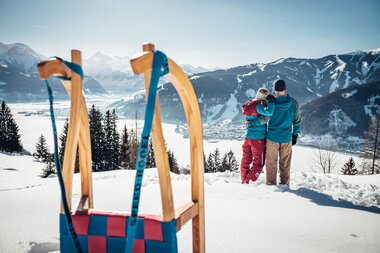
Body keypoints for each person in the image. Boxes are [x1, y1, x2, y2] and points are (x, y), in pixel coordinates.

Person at [265, 80, 301, 186]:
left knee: (271, 163)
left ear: (275, 90)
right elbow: (297, 120)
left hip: (272, 138)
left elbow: (264, 117)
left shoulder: (272, 102)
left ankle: (271, 185)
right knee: (285, 164)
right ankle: (285, 185)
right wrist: (295, 135)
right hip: (286, 138)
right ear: (285, 89)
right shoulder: (294, 103)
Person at [240, 88, 275, 184]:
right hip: (258, 139)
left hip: (248, 137)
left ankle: (243, 180)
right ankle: (248, 182)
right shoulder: (258, 106)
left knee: (246, 160)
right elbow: (269, 112)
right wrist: (271, 102)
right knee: (258, 163)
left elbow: (250, 120)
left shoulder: (249, 104)